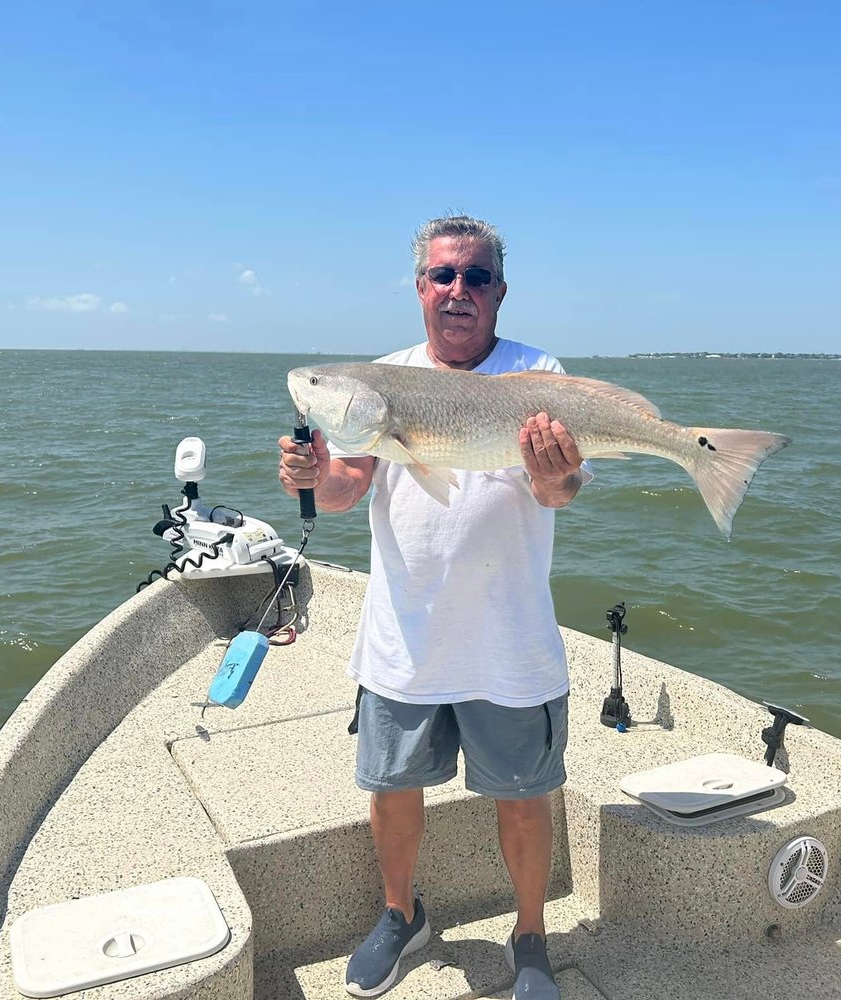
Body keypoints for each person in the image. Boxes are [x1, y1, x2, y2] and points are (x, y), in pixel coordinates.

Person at [278, 215, 586, 1000]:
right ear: (420, 287)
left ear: (499, 292)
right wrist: (313, 475)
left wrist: (558, 472)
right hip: (403, 635)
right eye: (443, 276)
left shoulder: (535, 375)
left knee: (522, 797)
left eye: (475, 277)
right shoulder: (382, 383)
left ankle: (529, 938)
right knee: (390, 789)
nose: (458, 291)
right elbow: (348, 489)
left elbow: (559, 492)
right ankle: (399, 915)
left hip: (509, 637)